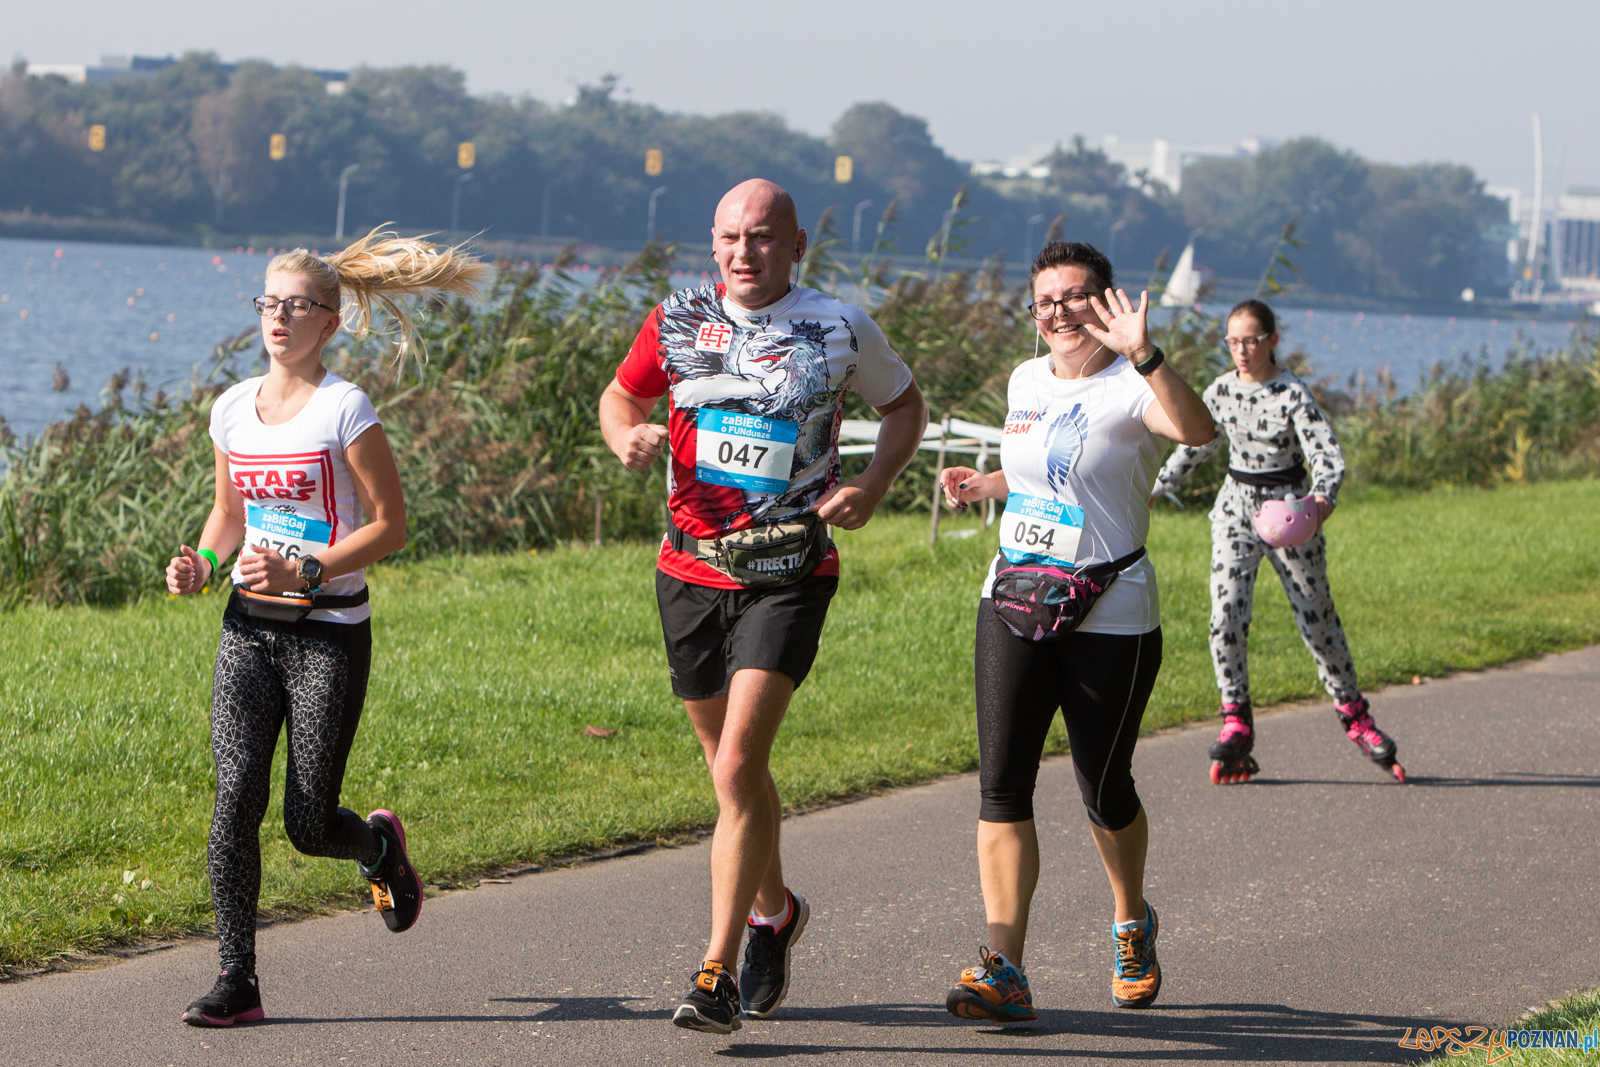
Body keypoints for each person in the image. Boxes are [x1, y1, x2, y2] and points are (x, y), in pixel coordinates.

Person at [600, 178, 927, 1034]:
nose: (744, 253)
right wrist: (624, 433)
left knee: (741, 764)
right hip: (688, 569)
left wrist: (872, 483)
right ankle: (776, 910)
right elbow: (620, 394)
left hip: (789, 571)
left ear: (797, 245)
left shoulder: (841, 325)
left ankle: (716, 972)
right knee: (728, 774)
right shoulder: (678, 315)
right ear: (713, 243)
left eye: (761, 238)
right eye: (729, 237)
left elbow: (905, 406)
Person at [164, 229, 487, 1027]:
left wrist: (309, 570)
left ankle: (377, 848)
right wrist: (203, 563)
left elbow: (392, 525)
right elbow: (229, 514)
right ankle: (236, 978)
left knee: (308, 823)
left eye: (297, 305)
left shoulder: (345, 408)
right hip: (247, 629)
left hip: (328, 632)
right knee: (234, 796)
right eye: (268, 303)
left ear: (329, 322)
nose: (279, 317)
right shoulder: (232, 407)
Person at [937, 241, 1213, 1022]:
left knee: (1103, 785)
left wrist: (1150, 354)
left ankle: (1131, 919)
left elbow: (1197, 432)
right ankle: (1005, 966)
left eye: (1074, 297)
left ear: (1106, 302)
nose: (1058, 312)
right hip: (1015, 599)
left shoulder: (1132, 385)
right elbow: (1044, 475)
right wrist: (984, 483)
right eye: (1045, 300)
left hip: (1110, 610)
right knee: (1002, 786)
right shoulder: (1027, 379)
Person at [1150, 299, 1404, 784]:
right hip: (1235, 510)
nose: (1241, 351)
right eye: (1232, 342)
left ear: (1271, 341)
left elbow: (1325, 454)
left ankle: (1355, 716)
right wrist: (1156, 488)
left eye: (1250, 340)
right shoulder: (1221, 391)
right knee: (1226, 615)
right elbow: (1195, 446)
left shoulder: (1291, 393)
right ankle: (1235, 719)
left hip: (1289, 512)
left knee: (1317, 616)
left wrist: (1323, 501)